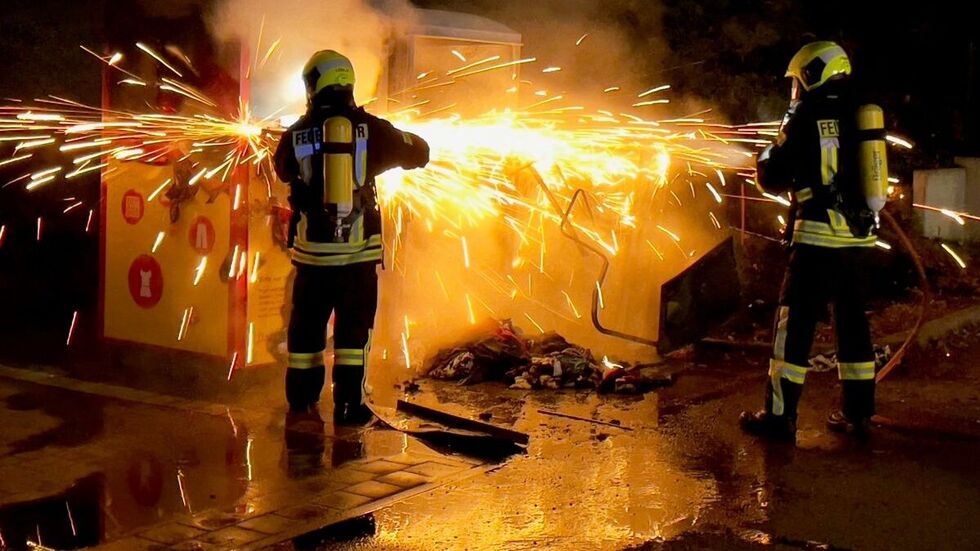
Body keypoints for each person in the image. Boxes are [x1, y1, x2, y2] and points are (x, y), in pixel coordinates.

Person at [274, 50, 429, 423]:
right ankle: (349, 406)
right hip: (357, 260)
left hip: (312, 261)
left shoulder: (296, 134)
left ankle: (301, 402)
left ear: (312, 84)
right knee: (353, 336)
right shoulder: (371, 129)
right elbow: (420, 152)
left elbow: (281, 170)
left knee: (306, 334)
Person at [739, 41, 878, 441]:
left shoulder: (804, 114)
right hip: (857, 244)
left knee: (792, 328)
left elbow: (773, 175)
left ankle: (780, 417)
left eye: (798, 80)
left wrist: (761, 159)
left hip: (816, 241)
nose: (795, 89)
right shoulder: (862, 112)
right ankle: (858, 415)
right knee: (854, 328)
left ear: (814, 73)